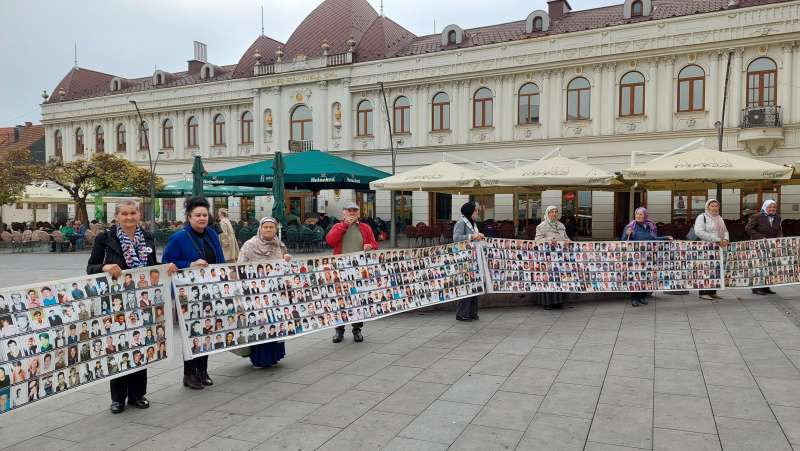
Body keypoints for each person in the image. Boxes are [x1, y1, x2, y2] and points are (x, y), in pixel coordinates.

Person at [87, 198, 177, 414]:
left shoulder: (147, 237)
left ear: (138, 215)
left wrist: (166, 267)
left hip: (141, 303)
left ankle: (138, 394)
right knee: (119, 348)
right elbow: (90, 268)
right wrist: (105, 266)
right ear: (117, 217)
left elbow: (151, 266)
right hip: (116, 304)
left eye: (132, 213)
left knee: (140, 346)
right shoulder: (105, 238)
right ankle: (118, 398)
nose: (129, 217)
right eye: (124, 214)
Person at [163, 196, 223, 389]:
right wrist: (189, 264)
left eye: (205, 215)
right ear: (189, 217)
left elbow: (220, 258)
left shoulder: (212, 234)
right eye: (197, 215)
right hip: (188, 294)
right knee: (191, 333)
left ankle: (202, 370)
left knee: (206, 331)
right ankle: (189, 373)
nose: (202, 218)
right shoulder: (179, 237)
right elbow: (167, 262)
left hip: (210, 290)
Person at [237, 217, 291, 367]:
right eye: (265, 227)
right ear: (260, 228)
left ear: (275, 229)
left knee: (274, 322)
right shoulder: (250, 245)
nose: (268, 230)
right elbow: (240, 266)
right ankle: (260, 358)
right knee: (260, 323)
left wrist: (287, 259)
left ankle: (274, 356)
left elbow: (285, 265)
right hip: (256, 293)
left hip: (274, 292)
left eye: (271, 227)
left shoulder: (279, 244)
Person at [325, 202, 379, 343]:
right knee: (340, 301)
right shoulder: (337, 226)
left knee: (357, 300)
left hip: (359, 269)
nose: (352, 213)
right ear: (343, 213)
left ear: (358, 213)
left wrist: (370, 246)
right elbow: (330, 241)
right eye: (349, 211)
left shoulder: (365, 228)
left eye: (354, 211)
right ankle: (339, 330)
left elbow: (375, 244)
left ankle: (357, 329)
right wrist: (345, 226)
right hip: (340, 269)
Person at [622, 207, 673, 306]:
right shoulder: (630, 227)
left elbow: (653, 239)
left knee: (645, 277)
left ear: (645, 215)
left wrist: (666, 238)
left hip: (647, 256)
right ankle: (634, 298)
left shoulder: (649, 226)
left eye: (641, 214)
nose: (638, 216)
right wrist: (627, 234)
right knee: (636, 277)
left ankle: (642, 296)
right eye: (637, 214)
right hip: (635, 257)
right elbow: (623, 242)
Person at [533, 206, 571, 310]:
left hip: (559, 258)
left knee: (559, 278)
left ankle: (558, 301)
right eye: (552, 212)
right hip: (547, 257)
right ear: (547, 213)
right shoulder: (541, 226)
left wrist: (568, 240)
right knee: (548, 279)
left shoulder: (561, 225)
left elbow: (565, 237)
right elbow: (537, 240)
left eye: (556, 212)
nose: (554, 214)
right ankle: (547, 302)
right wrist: (549, 239)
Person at [453, 202, 485, 320]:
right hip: (465, 259)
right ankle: (462, 314)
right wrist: (472, 237)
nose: (477, 213)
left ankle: (472, 312)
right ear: (470, 212)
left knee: (475, 285)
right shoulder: (461, 222)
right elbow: (456, 238)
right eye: (475, 211)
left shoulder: (473, 224)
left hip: (474, 258)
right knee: (466, 286)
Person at [694, 199, 729, 301]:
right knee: (706, 270)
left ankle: (713, 292)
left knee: (715, 270)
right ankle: (703, 292)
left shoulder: (719, 218)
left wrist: (726, 239)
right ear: (707, 207)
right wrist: (717, 239)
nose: (714, 208)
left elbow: (725, 230)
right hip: (706, 247)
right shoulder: (702, 217)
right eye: (712, 206)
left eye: (716, 206)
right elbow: (699, 232)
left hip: (718, 248)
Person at [745, 199, 782, 295]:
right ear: (765, 207)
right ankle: (756, 288)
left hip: (771, 245)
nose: (772, 209)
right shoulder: (757, 216)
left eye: (774, 207)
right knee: (759, 266)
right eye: (770, 207)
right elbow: (748, 228)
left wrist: (780, 238)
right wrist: (761, 237)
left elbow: (779, 230)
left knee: (769, 266)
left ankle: (766, 287)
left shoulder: (778, 217)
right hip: (758, 244)